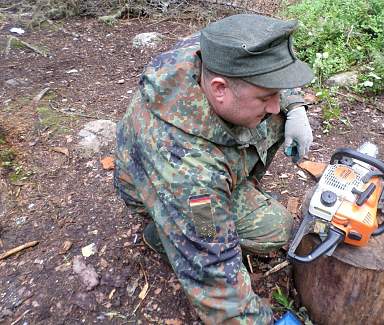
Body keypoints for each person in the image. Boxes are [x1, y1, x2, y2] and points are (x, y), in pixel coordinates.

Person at [114, 14, 314, 324]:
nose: (275, 103)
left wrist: (296, 106)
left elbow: (266, 74)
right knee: (275, 227)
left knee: (276, 120)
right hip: (167, 188)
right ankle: (163, 235)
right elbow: (218, 290)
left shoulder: (217, 51)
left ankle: (232, 192)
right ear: (219, 89)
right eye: (266, 96)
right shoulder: (190, 177)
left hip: (196, 167)